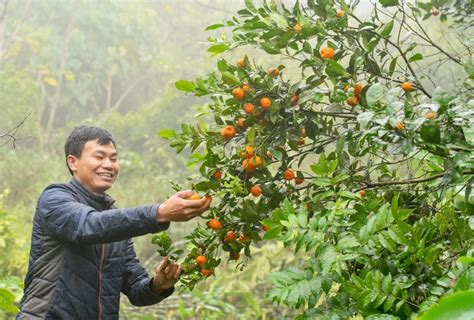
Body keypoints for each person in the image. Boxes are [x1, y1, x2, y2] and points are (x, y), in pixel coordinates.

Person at [17, 125, 211, 319]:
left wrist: (157, 286)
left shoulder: (115, 222)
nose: (109, 165)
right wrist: (159, 213)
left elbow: (136, 289)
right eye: (99, 157)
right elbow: (89, 226)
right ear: (73, 162)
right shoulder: (54, 199)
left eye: (114, 158)